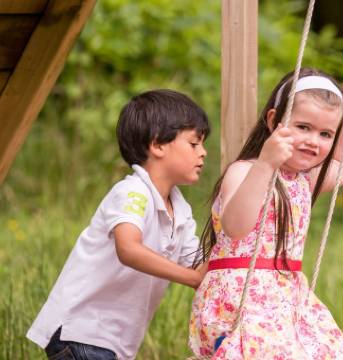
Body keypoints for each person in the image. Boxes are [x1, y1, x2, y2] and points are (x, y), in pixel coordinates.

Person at [188, 68, 343, 359]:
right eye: (303, 127)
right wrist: (266, 164)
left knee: (330, 352)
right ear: (274, 121)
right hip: (240, 298)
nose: (313, 140)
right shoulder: (245, 170)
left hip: (287, 299)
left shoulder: (304, 180)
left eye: (326, 134)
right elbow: (235, 226)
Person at [27, 89, 211, 360]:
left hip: (110, 342)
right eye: (194, 144)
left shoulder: (180, 209)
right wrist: (192, 279)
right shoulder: (132, 192)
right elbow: (129, 249)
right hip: (81, 331)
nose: (204, 153)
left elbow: (199, 263)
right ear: (158, 145)